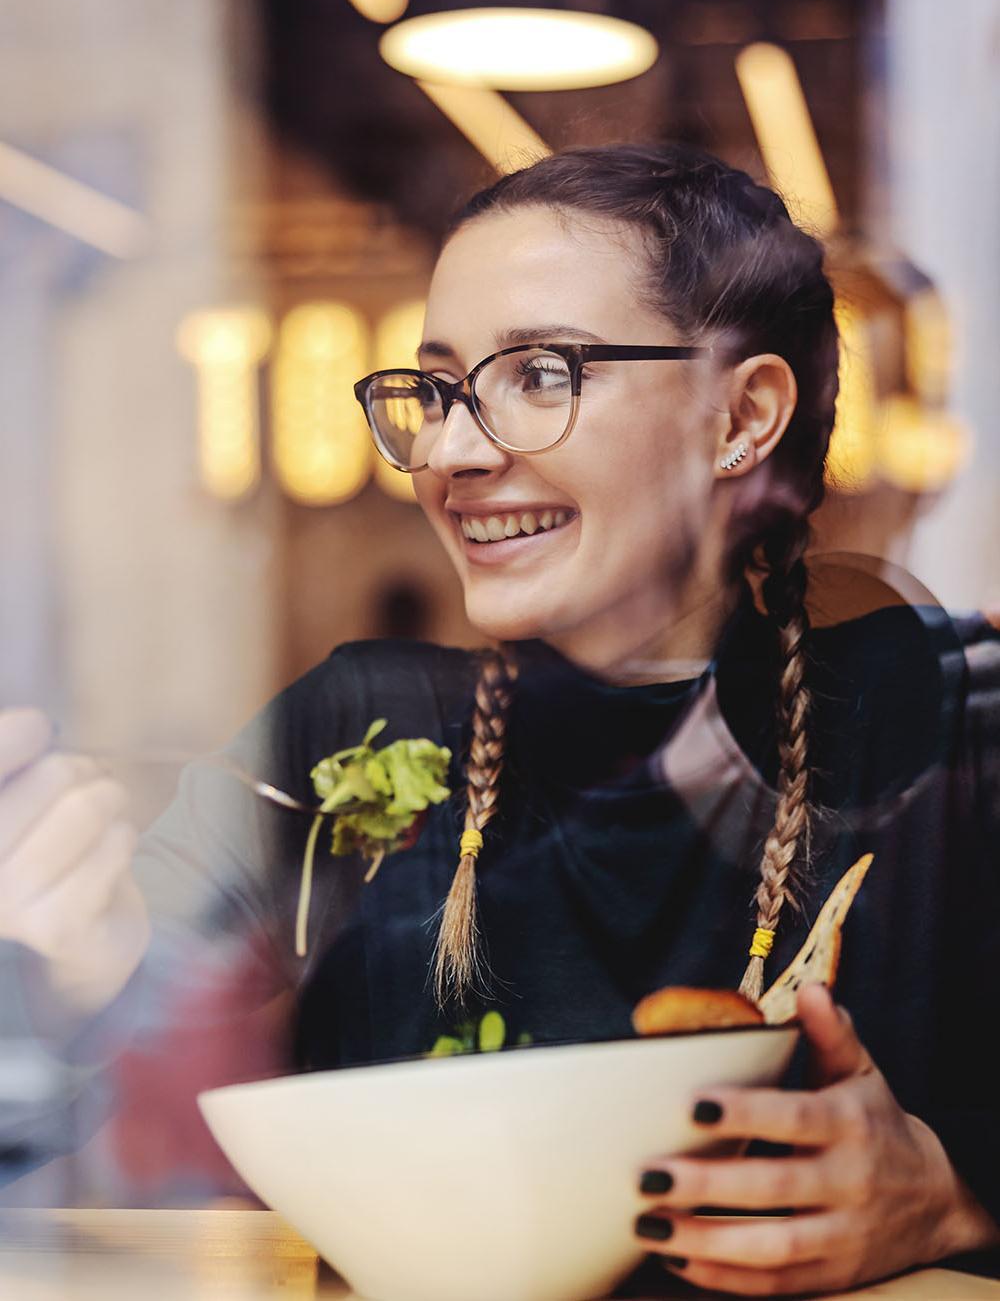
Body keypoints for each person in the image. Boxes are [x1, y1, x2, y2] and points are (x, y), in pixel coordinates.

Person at [1, 142, 999, 1295]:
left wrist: (950, 1198)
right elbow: (116, 1046)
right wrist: (80, 970)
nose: (451, 450)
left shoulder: (944, 731)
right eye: (436, 387)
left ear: (743, 415)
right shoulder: (354, 729)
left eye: (539, 374)